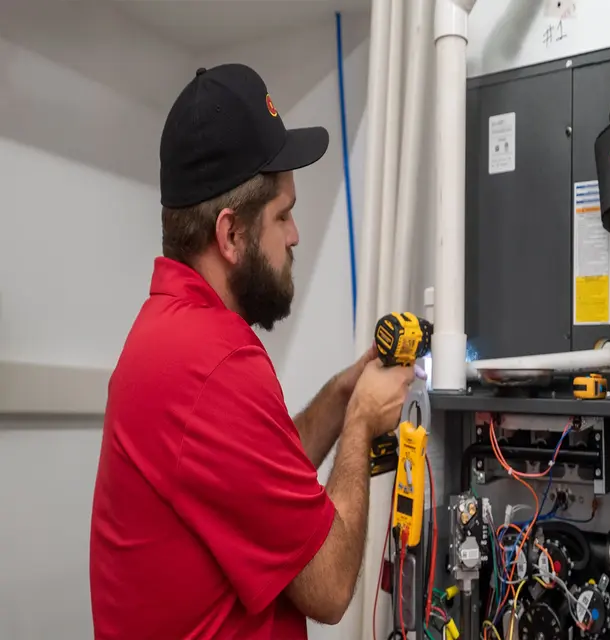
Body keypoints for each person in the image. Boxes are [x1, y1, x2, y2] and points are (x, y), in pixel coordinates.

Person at [89, 63, 416, 640]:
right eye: (282, 215)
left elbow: (262, 485)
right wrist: (362, 424)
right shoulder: (214, 365)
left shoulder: (171, 334)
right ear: (231, 234)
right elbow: (331, 587)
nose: (294, 235)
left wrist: (343, 395)